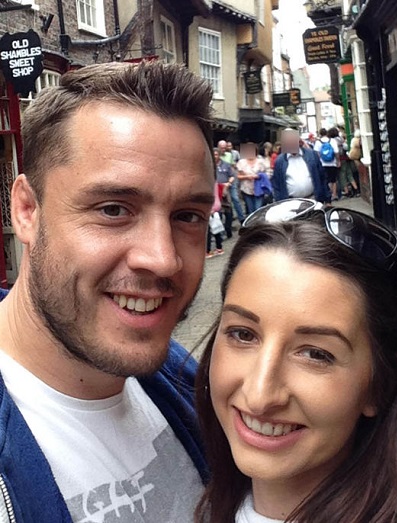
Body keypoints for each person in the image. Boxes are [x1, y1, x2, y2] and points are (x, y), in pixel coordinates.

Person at [0, 61, 216, 522]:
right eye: (114, 209)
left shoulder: (190, 384)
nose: (163, 259)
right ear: (27, 210)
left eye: (187, 216)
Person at [195, 199, 397, 523]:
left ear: (380, 384)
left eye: (316, 354)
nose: (259, 396)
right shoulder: (207, 496)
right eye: (243, 334)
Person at [272, 128, 330, 203]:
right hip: (292, 203)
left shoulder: (311, 155)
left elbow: (322, 177)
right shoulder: (280, 161)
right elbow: (277, 185)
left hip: (313, 199)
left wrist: (327, 199)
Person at [236, 142, 266, 215]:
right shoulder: (241, 162)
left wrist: (259, 176)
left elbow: (266, 174)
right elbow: (238, 176)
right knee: (251, 211)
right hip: (246, 189)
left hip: (259, 189)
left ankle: (258, 221)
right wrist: (247, 177)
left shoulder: (261, 161)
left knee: (258, 209)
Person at [220, 140, 245, 225]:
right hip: (222, 180)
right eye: (222, 148)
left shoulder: (230, 155)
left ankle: (241, 218)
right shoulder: (216, 156)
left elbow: (232, 166)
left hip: (231, 178)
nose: (224, 149)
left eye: (225, 148)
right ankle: (225, 221)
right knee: (223, 201)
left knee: (235, 198)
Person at [314, 127, 340, 201]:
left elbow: (317, 153)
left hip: (323, 164)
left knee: (325, 180)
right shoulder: (332, 141)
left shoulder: (318, 142)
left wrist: (320, 160)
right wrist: (338, 161)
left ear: (320, 134)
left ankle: (328, 193)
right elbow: (336, 152)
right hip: (332, 163)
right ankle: (334, 194)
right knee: (333, 179)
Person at [214, 148, 234, 238]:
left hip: (225, 189)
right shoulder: (209, 166)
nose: (215, 156)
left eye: (216, 154)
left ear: (219, 155)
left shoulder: (226, 164)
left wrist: (228, 183)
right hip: (215, 191)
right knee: (218, 212)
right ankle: (220, 233)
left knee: (229, 211)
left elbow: (232, 176)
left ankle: (228, 229)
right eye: (213, 155)